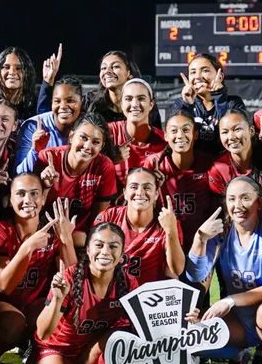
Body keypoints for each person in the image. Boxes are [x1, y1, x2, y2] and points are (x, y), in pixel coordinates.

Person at [185, 177, 262, 364]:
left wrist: (229, 300)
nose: (238, 205)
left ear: (259, 202)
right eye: (232, 199)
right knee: (191, 338)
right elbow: (196, 274)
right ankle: (239, 355)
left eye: (246, 198)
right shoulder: (221, 234)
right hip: (239, 321)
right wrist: (200, 238)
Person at [35, 223, 137, 364]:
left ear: (122, 254)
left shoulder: (128, 283)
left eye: (113, 246)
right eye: (99, 245)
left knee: (122, 338)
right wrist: (57, 299)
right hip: (56, 350)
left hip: (88, 354)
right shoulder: (70, 278)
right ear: (88, 249)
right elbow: (43, 332)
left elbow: (145, 327)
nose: (105, 251)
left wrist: (187, 318)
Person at [0, 179, 77, 364]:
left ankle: (37, 356)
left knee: (60, 313)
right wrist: (27, 247)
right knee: (14, 321)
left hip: (35, 300)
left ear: (44, 198)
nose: (28, 200)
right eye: (21, 194)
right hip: (3, 303)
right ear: (10, 199)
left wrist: (66, 240)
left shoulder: (53, 228)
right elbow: (3, 286)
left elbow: (73, 279)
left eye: (35, 193)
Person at [31, 114, 119, 247]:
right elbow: (33, 206)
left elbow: (99, 216)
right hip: (44, 228)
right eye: (83, 138)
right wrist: (46, 186)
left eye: (95, 142)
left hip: (78, 234)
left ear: (102, 146)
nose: (88, 146)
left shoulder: (104, 166)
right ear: (71, 137)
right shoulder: (48, 157)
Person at [97, 168, 184, 283]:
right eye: (134, 187)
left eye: (147, 188)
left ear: (156, 194)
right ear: (125, 193)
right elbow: (93, 260)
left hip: (149, 295)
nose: (140, 193)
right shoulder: (109, 217)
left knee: (173, 281)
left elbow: (177, 269)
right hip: (113, 290)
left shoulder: (167, 222)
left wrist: (170, 231)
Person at [208, 108, 262, 226]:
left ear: (251, 131)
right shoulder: (218, 168)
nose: (231, 137)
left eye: (237, 129)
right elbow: (221, 214)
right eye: (225, 132)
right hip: (239, 234)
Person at [147, 110, 216, 251]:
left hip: (201, 242)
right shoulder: (154, 163)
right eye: (174, 131)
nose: (180, 135)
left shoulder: (209, 163)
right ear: (166, 136)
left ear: (195, 134)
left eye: (186, 130)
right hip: (164, 241)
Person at [168, 53, 247, 155]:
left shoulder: (233, 103)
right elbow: (177, 137)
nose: (197, 77)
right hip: (194, 164)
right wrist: (187, 105)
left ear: (220, 76)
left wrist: (220, 98)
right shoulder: (181, 104)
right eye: (193, 72)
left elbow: (230, 136)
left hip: (224, 164)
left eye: (205, 70)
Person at [73, 50, 164, 130]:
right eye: (104, 68)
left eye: (115, 67)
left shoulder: (145, 103)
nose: (107, 71)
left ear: (129, 73)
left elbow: (157, 138)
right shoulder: (90, 102)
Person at [16, 77, 84, 174]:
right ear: (51, 102)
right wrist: (35, 150)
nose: (63, 106)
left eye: (69, 101)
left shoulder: (88, 127)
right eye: (57, 101)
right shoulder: (32, 126)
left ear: (82, 101)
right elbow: (20, 174)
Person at [108, 79, 167, 184]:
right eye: (128, 99)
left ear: (151, 104)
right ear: (121, 104)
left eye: (141, 98)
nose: (135, 104)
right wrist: (108, 159)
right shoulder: (108, 133)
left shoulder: (165, 142)